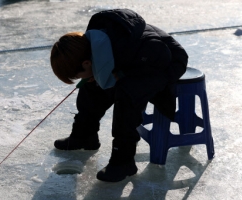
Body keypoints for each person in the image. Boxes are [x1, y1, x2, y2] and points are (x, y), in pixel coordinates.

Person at [50, 9, 188, 182]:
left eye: (78, 75)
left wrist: (122, 73)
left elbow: (158, 59)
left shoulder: (146, 48)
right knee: (92, 85)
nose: (79, 79)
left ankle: (123, 162)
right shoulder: (94, 46)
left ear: (86, 63)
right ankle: (84, 136)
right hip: (135, 59)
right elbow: (109, 63)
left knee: (127, 96)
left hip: (164, 61)